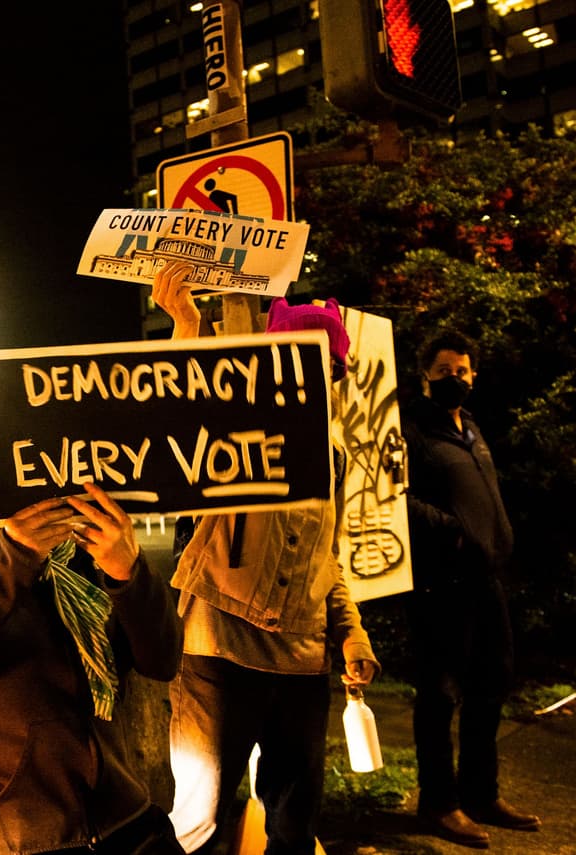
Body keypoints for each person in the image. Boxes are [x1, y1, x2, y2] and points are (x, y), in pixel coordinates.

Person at [152, 262, 379, 855]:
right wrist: (186, 327)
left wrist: (351, 635)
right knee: (197, 825)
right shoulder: (235, 428)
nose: (314, 381)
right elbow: (179, 418)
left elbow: (326, 562)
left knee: (294, 828)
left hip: (304, 665)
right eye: (298, 364)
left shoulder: (333, 455)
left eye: (325, 369)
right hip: (219, 654)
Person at [0, 481, 184, 855]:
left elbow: (163, 661)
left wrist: (128, 572)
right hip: (15, 835)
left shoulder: (85, 546)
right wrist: (13, 559)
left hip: (121, 814)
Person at [402, 331, 540, 848]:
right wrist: (451, 531)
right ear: (425, 376)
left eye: (461, 371)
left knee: (493, 683)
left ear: (473, 376)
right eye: (443, 371)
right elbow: (395, 496)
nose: (453, 379)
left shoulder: (472, 429)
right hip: (442, 583)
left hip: (488, 580)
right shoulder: (413, 430)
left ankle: (482, 793)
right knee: (439, 694)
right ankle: (439, 804)